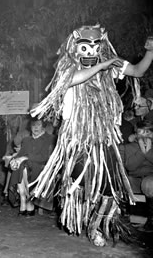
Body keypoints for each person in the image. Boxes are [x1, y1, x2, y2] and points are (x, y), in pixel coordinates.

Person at [30, 25, 153, 243]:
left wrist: (150, 51)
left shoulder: (109, 65)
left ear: (102, 46)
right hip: (78, 138)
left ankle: (96, 227)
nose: (91, 53)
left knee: (108, 188)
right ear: (75, 48)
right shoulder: (66, 67)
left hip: (104, 138)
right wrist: (103, 65)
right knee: (79, 184)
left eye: (96, 47)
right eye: (85, 48)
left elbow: (137, 71)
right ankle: (79, 215)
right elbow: (70, 80)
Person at [9, 117, 55, 216]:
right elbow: (20, 154)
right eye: (33, 125)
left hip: (42, 167)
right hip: (26, 167)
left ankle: (28, 201)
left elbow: (45, 157)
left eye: (38, 125)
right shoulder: (26, 140)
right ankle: (23, 197)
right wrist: (13, 161)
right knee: (20, 165)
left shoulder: (50, 139)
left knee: (24, 165)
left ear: (43, 126)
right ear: (30, 127)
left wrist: (24, 158)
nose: (36, 127)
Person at [120, 120, 153, 232]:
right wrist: (141, 152)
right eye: (141, 132)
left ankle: (151, 219)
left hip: (150, 178)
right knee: (128, 181)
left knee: (149, 184)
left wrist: (148, 152)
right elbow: (130, 167)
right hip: (135, 177)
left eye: (147, 132)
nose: (144, 136)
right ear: (135, 135)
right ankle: (136, 217)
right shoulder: (129, 148)